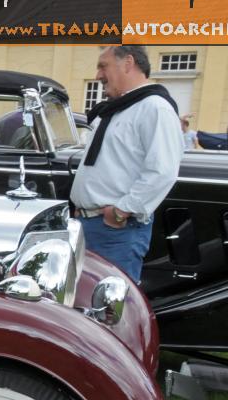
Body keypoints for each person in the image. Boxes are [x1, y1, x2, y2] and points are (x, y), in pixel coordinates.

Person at [71, 45, 181, 282]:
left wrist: (120, 212)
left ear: (128, 63)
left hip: (115, 230)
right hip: (90, 224)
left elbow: (162, 171)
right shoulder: (117, 109)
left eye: (103, 66)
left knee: (110, 308)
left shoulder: (155, 107)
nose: (98, 75)